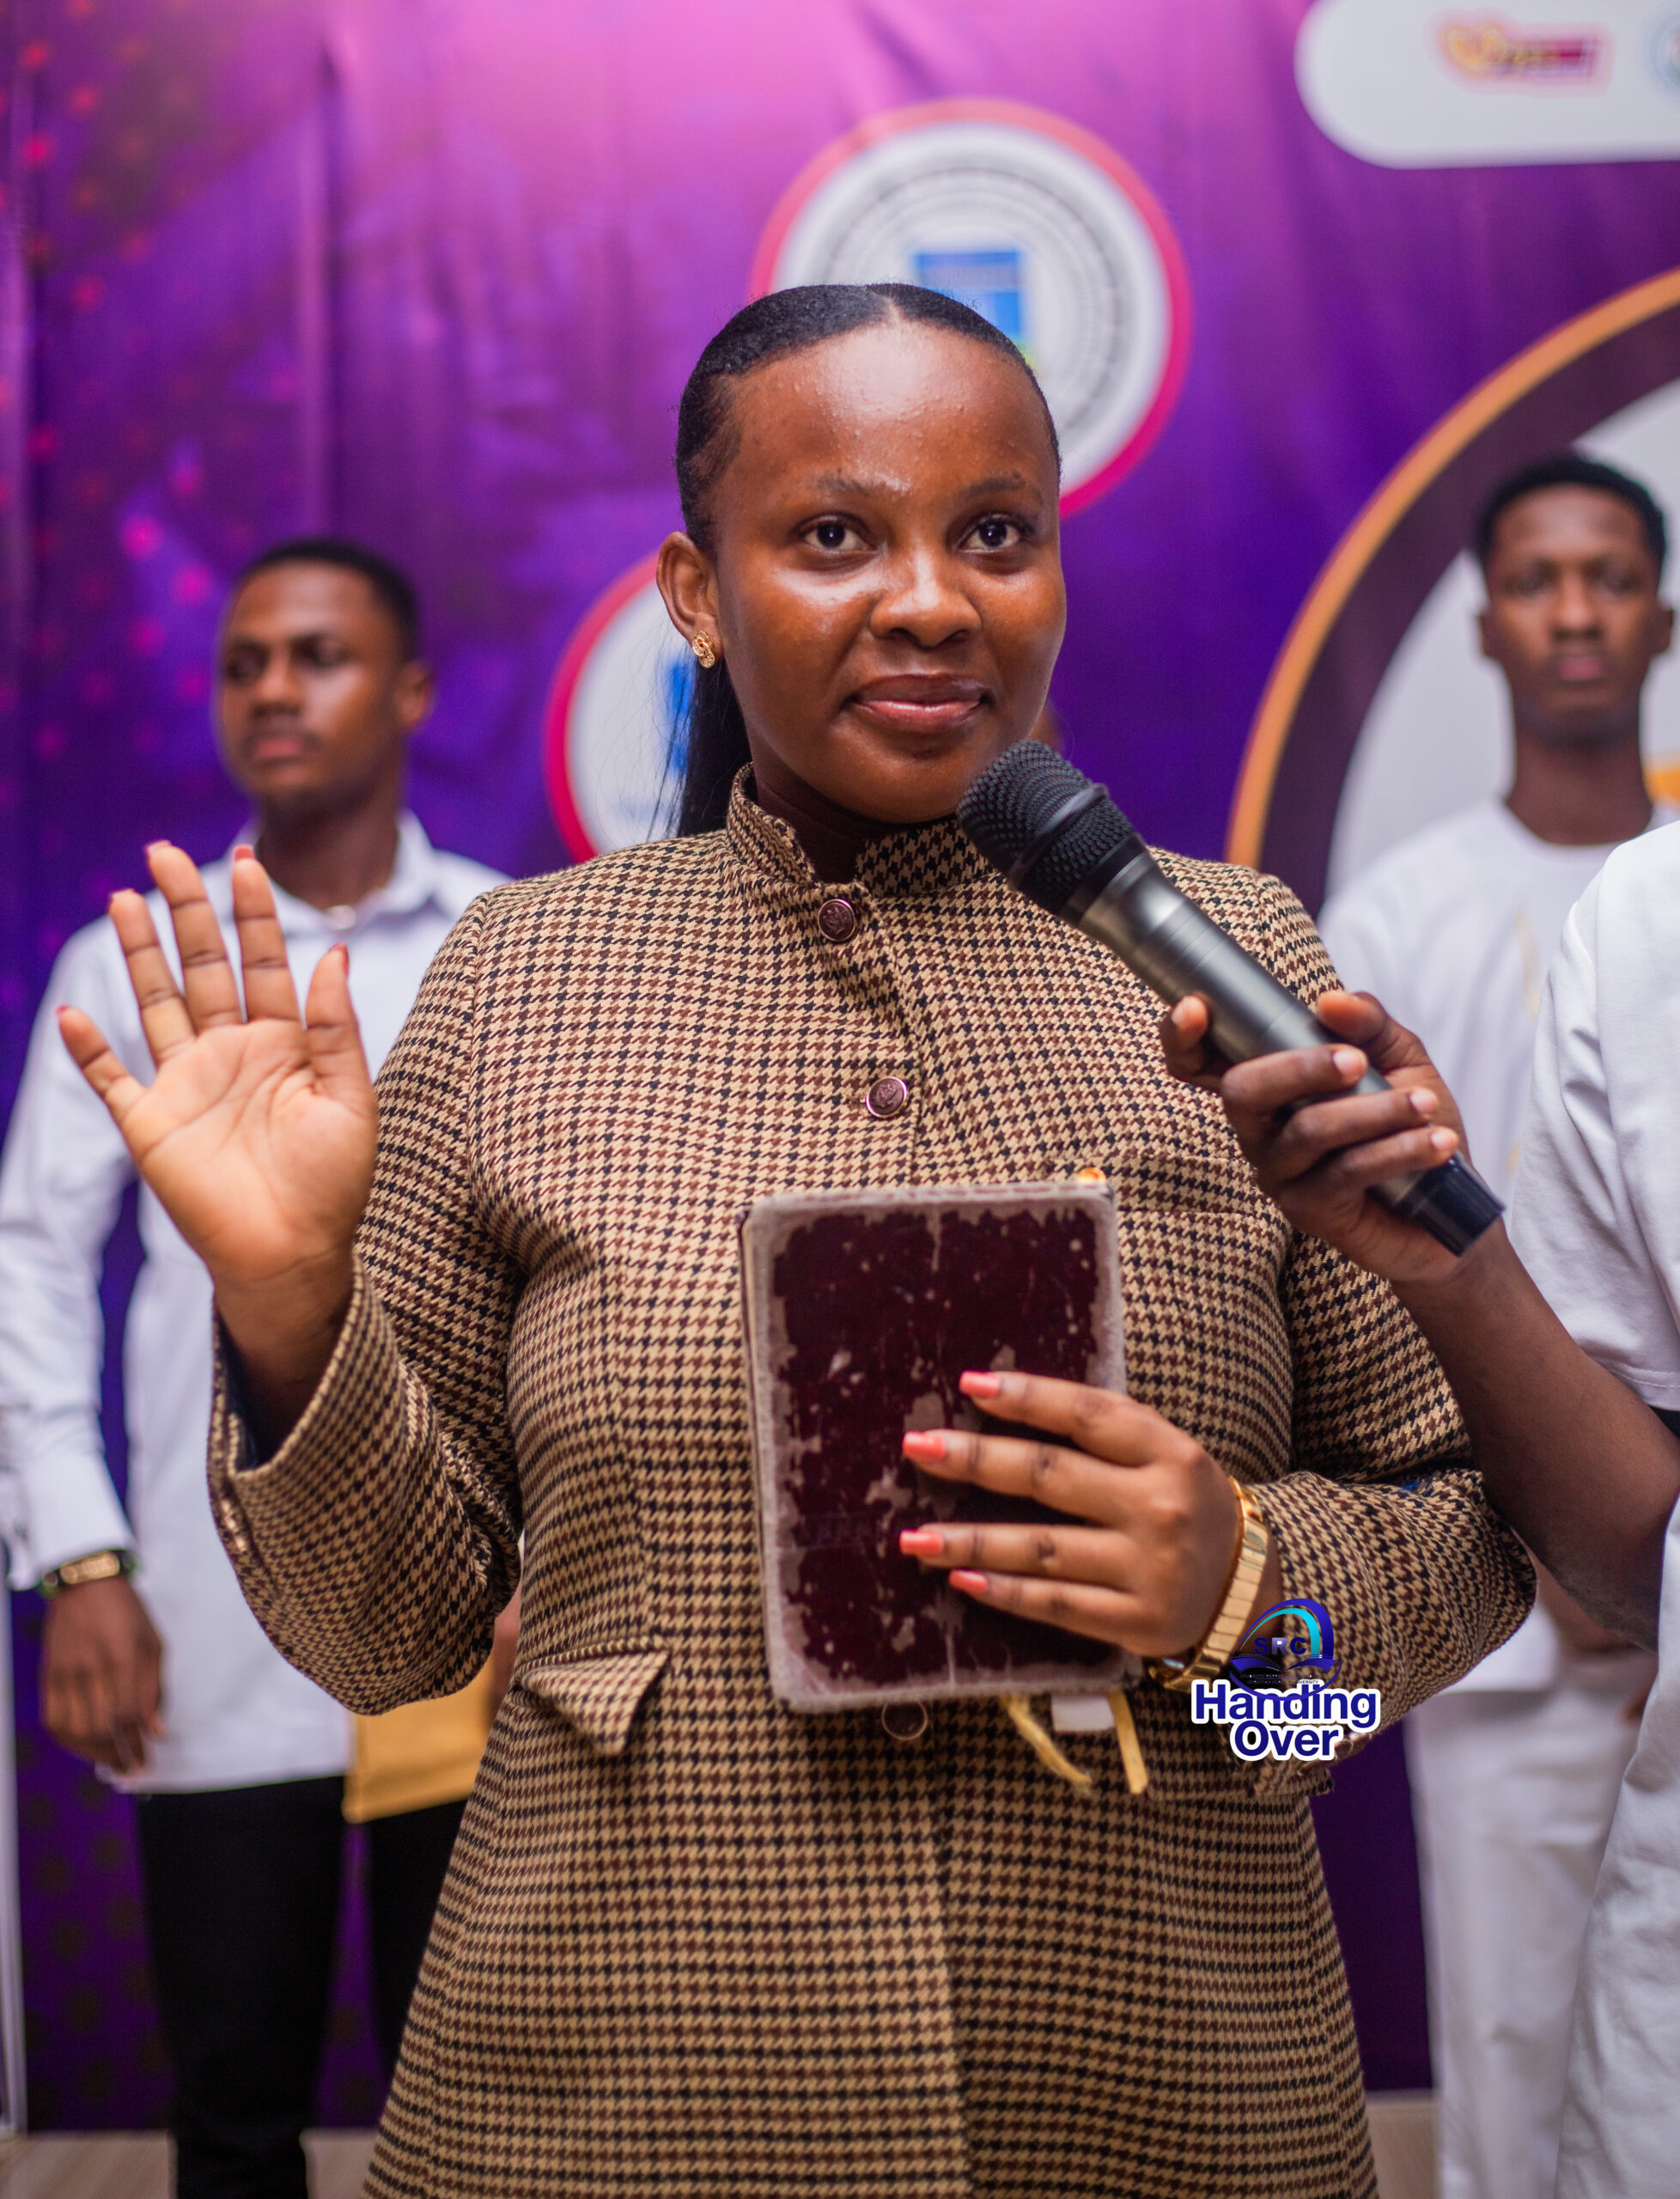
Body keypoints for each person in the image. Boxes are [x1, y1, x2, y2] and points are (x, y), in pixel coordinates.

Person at [58, 285, 1531, 2198]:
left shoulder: (1238, 962)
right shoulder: (522, 984)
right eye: (835, 534)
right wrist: (287, 1303)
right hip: (611, 2105)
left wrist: (1237, 1593)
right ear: (696, 591)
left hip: (1168, 2089)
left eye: (994, 532)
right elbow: (385, 1638)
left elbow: (1442, 1578)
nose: (931, 600)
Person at [0, 537, 507, 2195]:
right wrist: (81, 1559)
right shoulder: (135, 961)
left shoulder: (509, 946)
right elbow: (32, 1269)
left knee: (488, 2117)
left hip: (484, 1626)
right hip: (214, 1615)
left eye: (319, 656)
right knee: (228, 2111)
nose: (274, 691)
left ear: (411, 690)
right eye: (244, 663)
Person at [1315, 452, 1673, 2199]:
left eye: (1612, 577)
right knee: (1518, 2067)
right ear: (1486, 624)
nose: (1577, 614)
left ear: (1663, 616)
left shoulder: (1664, 901)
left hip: (1662, 1545)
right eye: (1539, 580)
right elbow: (1359, 1254)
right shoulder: (1400, 908)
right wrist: (1560, 1535)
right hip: (1516, 1606)